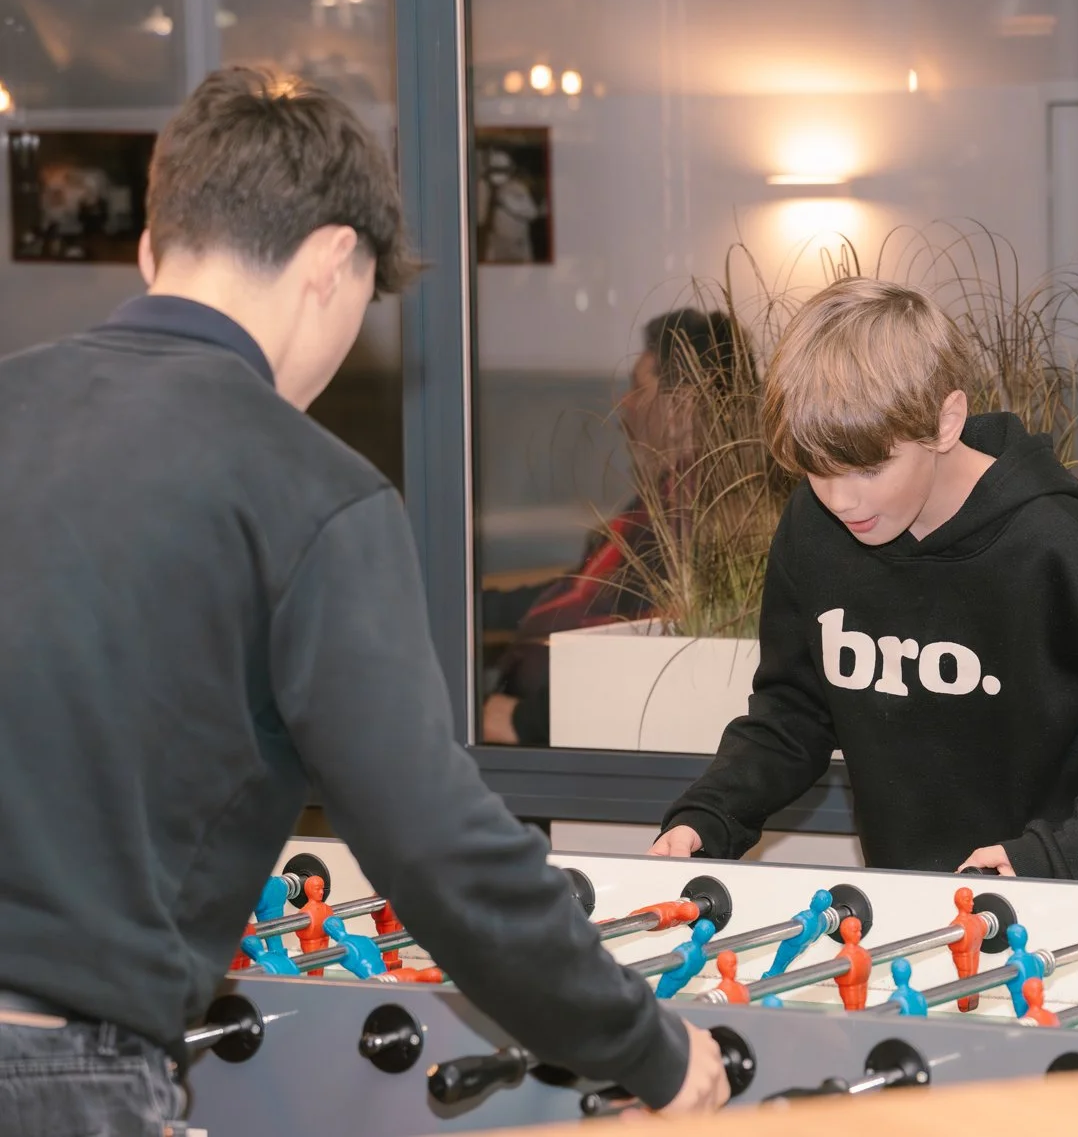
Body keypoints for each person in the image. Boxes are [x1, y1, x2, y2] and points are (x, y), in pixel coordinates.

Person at [0, 67, 726, 1133]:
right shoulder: (310, 489)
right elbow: (434, 842)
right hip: (58, 1075)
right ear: (333, 262)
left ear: (153, 249)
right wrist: (647, 1047)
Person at [647, 276, 1078, 883]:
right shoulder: (812, 529)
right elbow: (794, 713)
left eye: (869, 468)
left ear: (946, 421)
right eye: (817, 470)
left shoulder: (1053, 539)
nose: (840, 499)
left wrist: (1058, 857)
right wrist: (709, 816)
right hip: (922, 905)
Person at [481, 307, 753, 746]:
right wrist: (473, 609)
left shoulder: (700, 515)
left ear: (681, 407)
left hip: (573, 738)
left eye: (638, 388)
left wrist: (528, 722)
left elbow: (659, 642)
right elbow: (585, 593)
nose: (623, 405)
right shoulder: (671, 499)